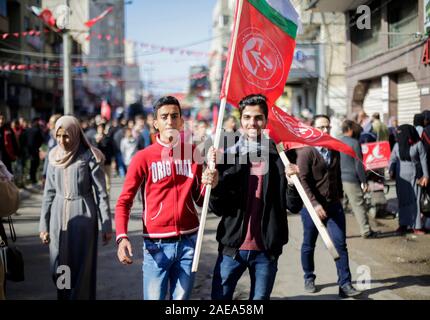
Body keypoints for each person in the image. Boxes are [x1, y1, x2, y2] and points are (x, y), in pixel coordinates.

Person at [115, 96, 218, 300]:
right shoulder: (142, 158)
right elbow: (124, 201)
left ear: (181, 121)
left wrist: (210, 184)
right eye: (164, 117)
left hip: (189, 242)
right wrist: (122, 236)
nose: (170, 121)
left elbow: (199, 199)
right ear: (156, 123)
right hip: (156, 244)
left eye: (174, 116)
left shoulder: (193, 153)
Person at [208, 94, 303, 300]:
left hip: (266, 250)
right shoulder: (227, 156)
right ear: (241, 120)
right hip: (231, 248)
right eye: (247, 117)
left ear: (266, 120)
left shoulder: (282, 158)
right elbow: (217, 208)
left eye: (258, 117)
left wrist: (292, 183)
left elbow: (293, 206)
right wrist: (214, 187)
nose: (253, 123)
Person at [39, 115, 113, 300]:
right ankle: (64, 296)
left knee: (81, 265)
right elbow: (48, 193)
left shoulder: (89, 157)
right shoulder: (54, 156)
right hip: (58, 215)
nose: (62, 141)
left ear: (75, 133)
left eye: (66, 136)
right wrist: (44, 225)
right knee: (59, 264)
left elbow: (101, 193)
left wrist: (106, 225)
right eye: (59, 136)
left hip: (84, 215)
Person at [295, 115, 361, 298]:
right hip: (311, 208)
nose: (325, 131)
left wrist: (339, 198)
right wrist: (314, 204)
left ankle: (345, 284)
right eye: (321, 127)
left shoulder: (333, 148)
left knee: (340, 244)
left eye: (328, 127)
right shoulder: (306, 151)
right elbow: (303, 180)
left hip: (333, 206)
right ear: (313, 129)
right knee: (309, 244)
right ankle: (309, 276)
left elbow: (336, 176)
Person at [340, 120, 378, 238]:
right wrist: (364, 181)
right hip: (351, 179)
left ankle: (337, 233)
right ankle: (366, 231)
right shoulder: (354, 143)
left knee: (340, 207)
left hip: (339, 178)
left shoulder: (337, 141)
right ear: (350, 130)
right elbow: (359, 164)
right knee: (359, 205)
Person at [389, 124, 429, 235]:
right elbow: (392, 159)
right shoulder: (397, 146)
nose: (399, 135)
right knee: (402, 201)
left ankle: (417, 226)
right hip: (401, 178)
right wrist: (391, 169)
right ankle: (403, 225)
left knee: (415, 200)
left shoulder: (418, 145)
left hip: (415, 177)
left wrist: (426, 176)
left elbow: (423, 160)